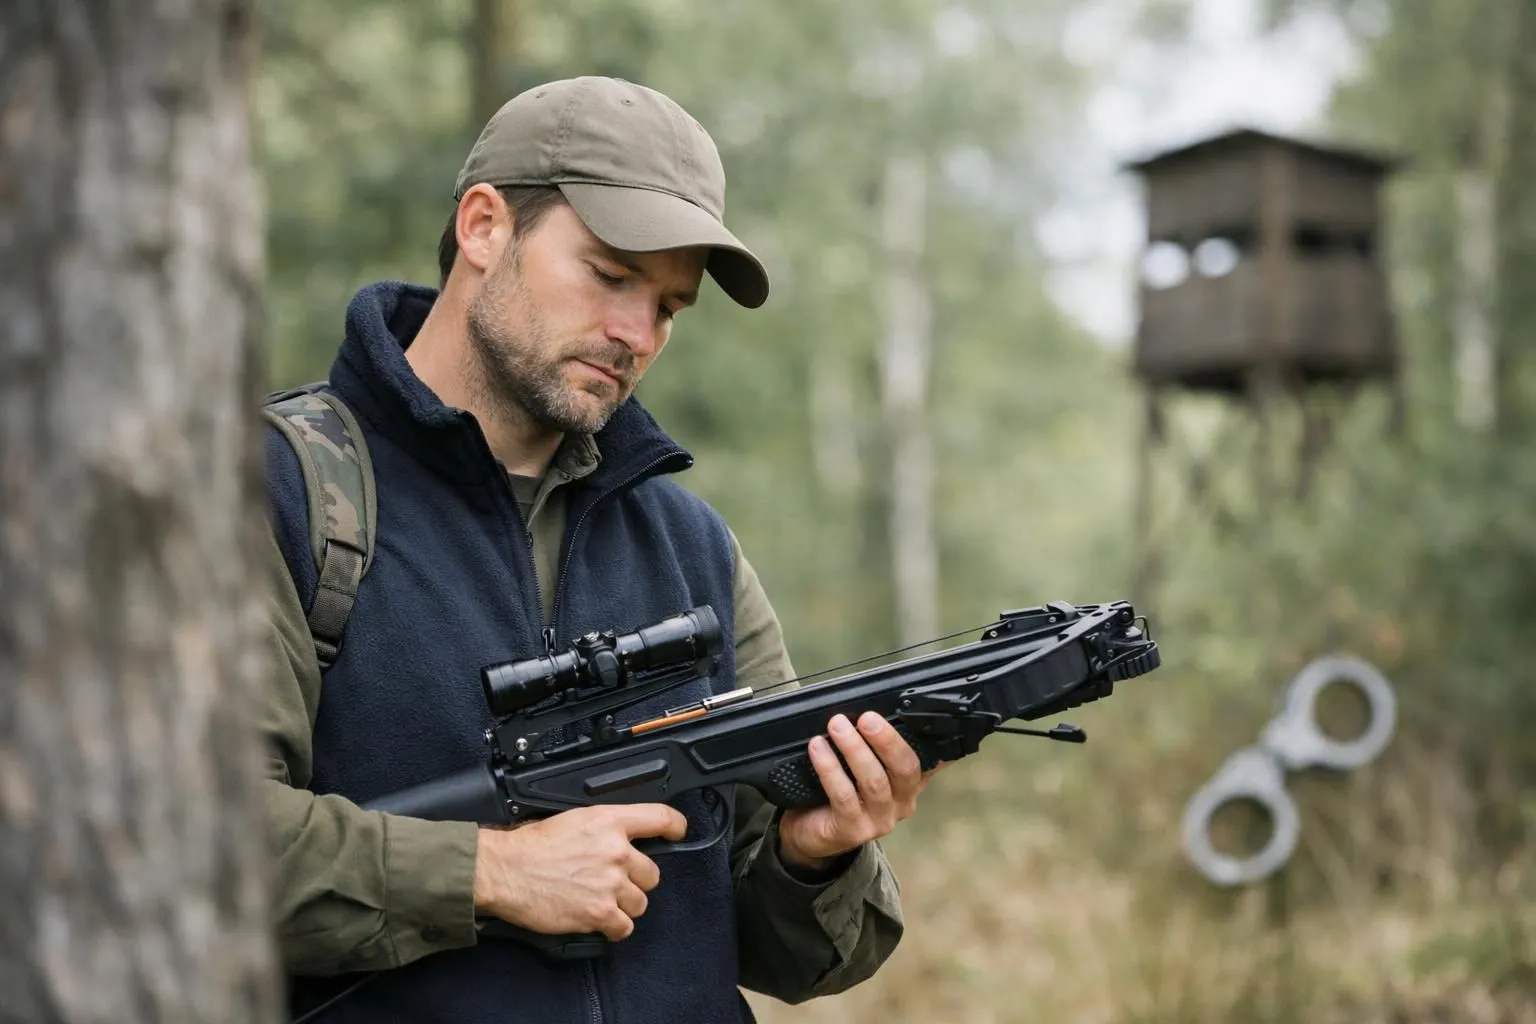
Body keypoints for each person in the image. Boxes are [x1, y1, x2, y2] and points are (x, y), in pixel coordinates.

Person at [261, 76, 939, 1024]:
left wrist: (811, 854)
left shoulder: (692, 545)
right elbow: (173, 843)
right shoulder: (277, 494)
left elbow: (789, 953)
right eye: (610, 274)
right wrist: (488, 872)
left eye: (668, 305)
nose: (636, 334)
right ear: (485, 227)